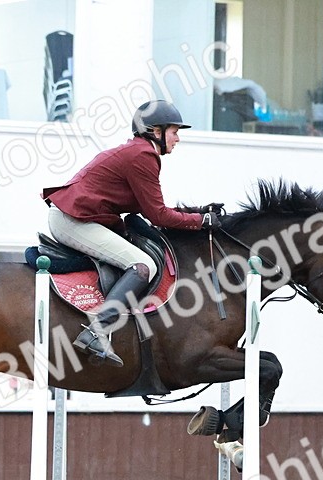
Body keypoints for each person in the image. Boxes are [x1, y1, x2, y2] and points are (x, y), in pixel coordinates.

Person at [41, 100, 222, 366]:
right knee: (142, 265)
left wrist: (197, 213)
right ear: (156, 132)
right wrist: (201, 221)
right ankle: (96, 332)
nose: (178, 139)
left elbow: (153, 208)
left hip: (76, 217)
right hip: (72, 220)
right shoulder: (143, 156)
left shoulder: (138, 152)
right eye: (174, 132)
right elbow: (158, 216)